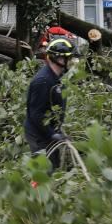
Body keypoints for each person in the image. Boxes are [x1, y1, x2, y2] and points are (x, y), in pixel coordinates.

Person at [24, 37, 76, 169]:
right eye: (69, 58)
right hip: (39, 135)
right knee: (44, 171)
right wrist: (52, 134)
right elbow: (36, 114)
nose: (71, 62)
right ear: (59, 59)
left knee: (55, 166)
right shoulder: (43, 81)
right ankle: (33, 189)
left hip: (48, 132)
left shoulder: (55, 78)